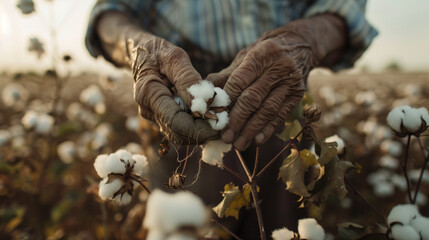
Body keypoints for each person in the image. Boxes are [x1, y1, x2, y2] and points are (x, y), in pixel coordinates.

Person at [86, 0, 377, 238]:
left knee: (282, 225)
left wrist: (305, 39)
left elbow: (344, 8)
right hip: (179, 103)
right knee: (187, 229)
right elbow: (108, 13)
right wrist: (139, 49)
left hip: (280, 90)